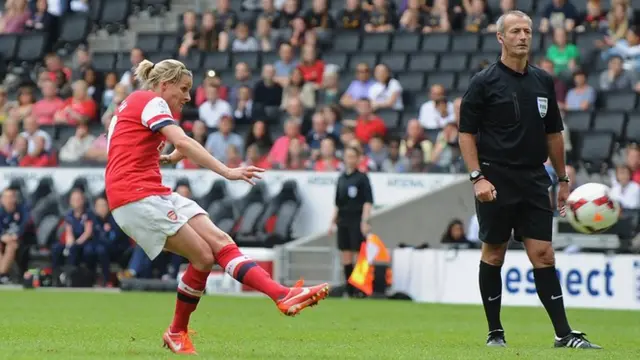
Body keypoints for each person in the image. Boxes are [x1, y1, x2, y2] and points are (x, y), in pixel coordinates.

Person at [105, 58, 329, 355]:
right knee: (202, 256)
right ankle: (177, 331)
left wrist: (168, 158)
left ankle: (282, 295)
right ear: (164, 85)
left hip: (151, 191)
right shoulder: (152, 101)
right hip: (136, 197)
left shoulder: (133, 106)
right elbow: (182, 142)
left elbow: (125, 149)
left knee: (219, 242)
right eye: (183, 89)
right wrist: (227, 171)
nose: (187, 97)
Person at [458, 10, 601, 349]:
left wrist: (563, 179)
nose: (523, 36)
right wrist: (478, 177)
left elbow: (554, 133)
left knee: (544, 254)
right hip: (495, 177)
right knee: (494, 253)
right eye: (516, 31)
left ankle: (564, 334)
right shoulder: (483, 81)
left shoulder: (542, 80)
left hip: (535, 178)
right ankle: (495, 332)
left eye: (527, 31)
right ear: (501, 38)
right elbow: (466, 134)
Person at [328, 146, 374, 297]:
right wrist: (332, 222)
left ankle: (359, 286)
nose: (350, 160)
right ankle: (349, 287)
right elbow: (337, 203)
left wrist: (365, 221)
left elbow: (368, 201)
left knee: (358, 253)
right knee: (345, 254)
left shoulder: (362, 178)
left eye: (353, 156)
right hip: (343, 220)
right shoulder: (341, 179)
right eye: (348, 156)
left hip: (356, 219)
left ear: (358, 159)